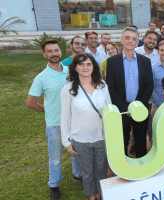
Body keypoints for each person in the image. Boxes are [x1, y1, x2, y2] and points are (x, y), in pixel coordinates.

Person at [26, 39, 81, 200]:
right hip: (55, 124)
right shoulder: (41, 78)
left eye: (56, 50)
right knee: (55, 157)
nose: (54, 54)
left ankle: (78, 174)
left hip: (75, 121)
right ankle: (54, 184)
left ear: (61, 52)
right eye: (49, 51)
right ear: (44, 54)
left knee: (77, 152)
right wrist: (48, 110)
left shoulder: (71, 71)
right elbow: (30, 103)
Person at [60, 53, 110, 200]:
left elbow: (109, 111)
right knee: (87, 172)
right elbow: (64, 117)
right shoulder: (68, 89)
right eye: (81, 64)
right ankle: (91, 196)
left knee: (101, 170)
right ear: (75, 68)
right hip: (80, 139)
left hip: (101, 137)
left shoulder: (102, 86)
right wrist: (66, 142)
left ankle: (100, 194)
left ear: (93, 66)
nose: (85, 67)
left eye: (88, 64)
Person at [106, 27, 154, 158]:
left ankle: (141, 168)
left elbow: (149, 84)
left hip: (140, 108)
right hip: (122, 110)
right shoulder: (111, 62)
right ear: (121, 40)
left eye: (133, 39)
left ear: (137, 42)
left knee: (140, 142)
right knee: (121, 141)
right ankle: (123, 170)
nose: (130, 41)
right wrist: (125, 108)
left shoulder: (145, 61)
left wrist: (139, 105)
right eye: (127, 38)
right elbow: (110, 88)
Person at [148, 40, 164, 145]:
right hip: (158, 106)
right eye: (162, 50)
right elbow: (150, 87)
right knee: (158, 134)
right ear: (157, 52)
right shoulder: (153, 68)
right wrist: (160, 103)